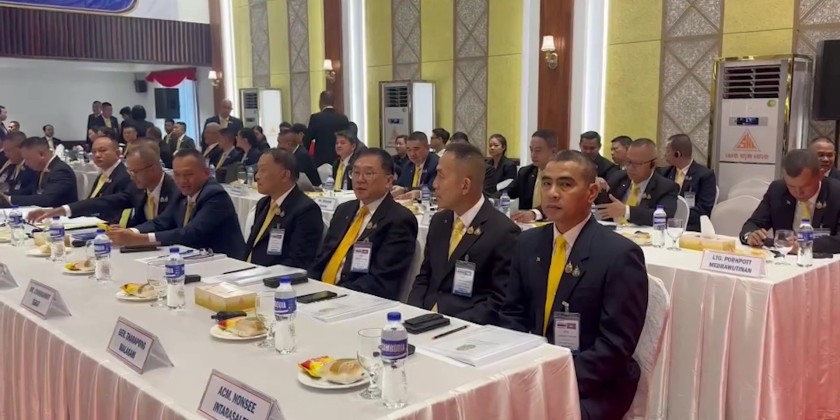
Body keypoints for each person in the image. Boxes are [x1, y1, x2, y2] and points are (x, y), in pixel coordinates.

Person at [498, 150, 648, 420]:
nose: (552, 193)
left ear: (591, 193)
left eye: (565, 184)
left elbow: (615, 346)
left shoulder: (619, 255)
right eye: (547, 183)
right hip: (534, 371)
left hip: (593, 384)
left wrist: (554, 380)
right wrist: (519, 369)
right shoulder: (528, 243)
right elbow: (513, 314)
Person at [408, 142, 519, 324]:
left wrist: (449, 325)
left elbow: (498, 300)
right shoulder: (439, 221)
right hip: (423, 320)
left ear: (465, 185)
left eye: (441, 176)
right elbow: (424, 277)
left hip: (465, 326)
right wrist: (412, 312)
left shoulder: (502, 231)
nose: (434, 184)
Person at [308, 148, 418, 300]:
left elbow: (382, 281)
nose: (360, 179)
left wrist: (334, 296)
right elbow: (321, 259)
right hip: (319, 292)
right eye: (355, 172)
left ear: (388, 181)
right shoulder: (343, 210)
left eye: (369, 173)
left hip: (354, 299)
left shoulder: (398, 219)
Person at [106, 149, 246, 259]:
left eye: (188, 174)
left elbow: (190, 234)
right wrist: (131, 232)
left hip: (226, 264)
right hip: (194, 258)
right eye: (177, 175)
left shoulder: (215, 195)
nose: (182, 181)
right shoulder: (181, 193)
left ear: (206, 173)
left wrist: (141, 239)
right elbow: (161, 222)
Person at [27, 144, 179, 228]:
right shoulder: (137, 189)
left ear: (153, 169)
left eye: (135, 172)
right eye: (130, 171)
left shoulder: (175, 190)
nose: (132, 177)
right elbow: (105, 202)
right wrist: (61, 210)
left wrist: (133, 231)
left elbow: (163, 223)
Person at [741, 149, 840, 253]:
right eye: (791, 186)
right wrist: (751, 236)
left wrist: (807, 244)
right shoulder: (777, 189)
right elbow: (753, 224)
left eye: (805, 186)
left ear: (820, 176)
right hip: (783, 258)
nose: (798, 192)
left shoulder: (836, 193)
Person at [245, 149, 323, 268]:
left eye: (263, 170)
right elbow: (252, 247)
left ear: (285, 175)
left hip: (273, 276)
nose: (257, 176)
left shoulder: (306, 210)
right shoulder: (263, 204)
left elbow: (298, 261)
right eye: (258, 170)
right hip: (249, 271)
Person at [595, 138, 679, 226]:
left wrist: (627, 211)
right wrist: (599, 190)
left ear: (653, 164)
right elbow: (604, 208)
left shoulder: (666, 187)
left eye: (637, 163)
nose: (630, 167)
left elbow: (664, 217)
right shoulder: (619, 177)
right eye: (628, 162)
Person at [659, 134, 717, 231]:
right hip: (665, 225)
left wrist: (675, 216)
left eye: (668, 151)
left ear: (677, 154)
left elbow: (704, 209)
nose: (665, 154)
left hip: (690, 227)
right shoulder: (664, 173)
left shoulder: (705, 176)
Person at [2, 137, 77, 207]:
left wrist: (10, 199)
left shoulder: (60, 171)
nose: (26, 163)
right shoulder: (41, 169)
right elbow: (29, 191)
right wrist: (5, 196)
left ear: (41, 154)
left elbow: (47, 199)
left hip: (60, 215)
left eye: (27, 159)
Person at [508, 130, 558, 223]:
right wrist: (490, 199)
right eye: (531, 150)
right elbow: (507, 192)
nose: (533, 155)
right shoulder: (525, 172)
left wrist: (534, 213)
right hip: (528, 225)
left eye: (538, 151)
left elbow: (556, 202)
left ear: (553, 151)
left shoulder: (562, 175)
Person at [81, 136, 132, 221]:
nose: (97, 155)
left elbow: (118, 212)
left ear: (117, 153)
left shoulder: (124, 177)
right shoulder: (102, 175)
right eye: (94, 152)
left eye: (102, 150)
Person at [304, 91, 350, 166]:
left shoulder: (316, 118)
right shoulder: (343, 118)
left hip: (321, 160)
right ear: (334, 102)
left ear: (320, 102)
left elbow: (307, 140)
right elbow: (349, 138)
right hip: (339, 158)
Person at [393, 131, 439, 199]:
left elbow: (433, 189)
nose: (412, 154)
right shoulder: (408, 165)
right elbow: (401, 184)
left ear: (427, 147)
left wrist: (407, 190)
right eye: (409, 150)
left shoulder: (436, 164)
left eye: (416, 149)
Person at [0, 131, 36, 196]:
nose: (6, 155)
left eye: (8, 151)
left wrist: (6, 195)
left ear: (21, 148)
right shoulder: (11, 164)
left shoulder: (33, 167)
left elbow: (28, 191)